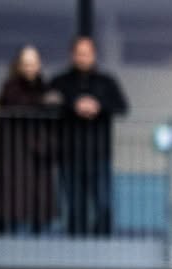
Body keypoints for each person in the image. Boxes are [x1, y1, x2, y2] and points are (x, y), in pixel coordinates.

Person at [50, 36, 125, 238]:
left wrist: (98, 106)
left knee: (103, 203)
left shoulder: (106, 82)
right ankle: (76, 249)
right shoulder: (60, 82)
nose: (83, 57)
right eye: (79, 53)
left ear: (94, 55)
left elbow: (121, 106)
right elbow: (48, 104)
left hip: (99, 154)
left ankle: (102, 247)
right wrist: (74, 104)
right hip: (69, 154)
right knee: (75, 206)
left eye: (87, 53)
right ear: (72, 55)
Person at [0, 46, 59, 237]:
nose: (30, 67)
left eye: (33, 63)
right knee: (18, 207)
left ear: (39, 65)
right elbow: (18, 105)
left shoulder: (46, 87)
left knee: (42, 208)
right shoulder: (10, 87)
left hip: (41, 156)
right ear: (19, 66)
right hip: (16, 157)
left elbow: (55, 110)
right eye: (26, 64)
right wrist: (43, 102)